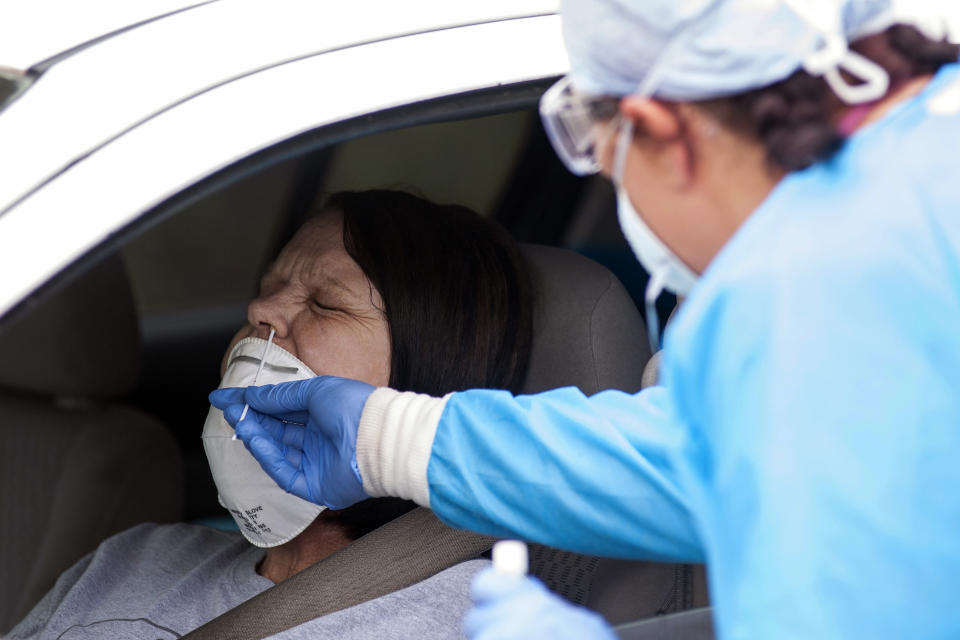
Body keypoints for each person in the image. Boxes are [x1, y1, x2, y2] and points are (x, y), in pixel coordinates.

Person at [213, 1, 960, 638]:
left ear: (661, 131)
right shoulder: (887, 213)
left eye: (596, 149)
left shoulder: (840, 284)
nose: (610, 182)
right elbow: (708, 459)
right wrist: (392, 439)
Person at [9, 189, 533, 640]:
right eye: (266, 293)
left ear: (426, 377)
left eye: (325, 304)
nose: (261, 312)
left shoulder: (471, 623)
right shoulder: (134, 556)